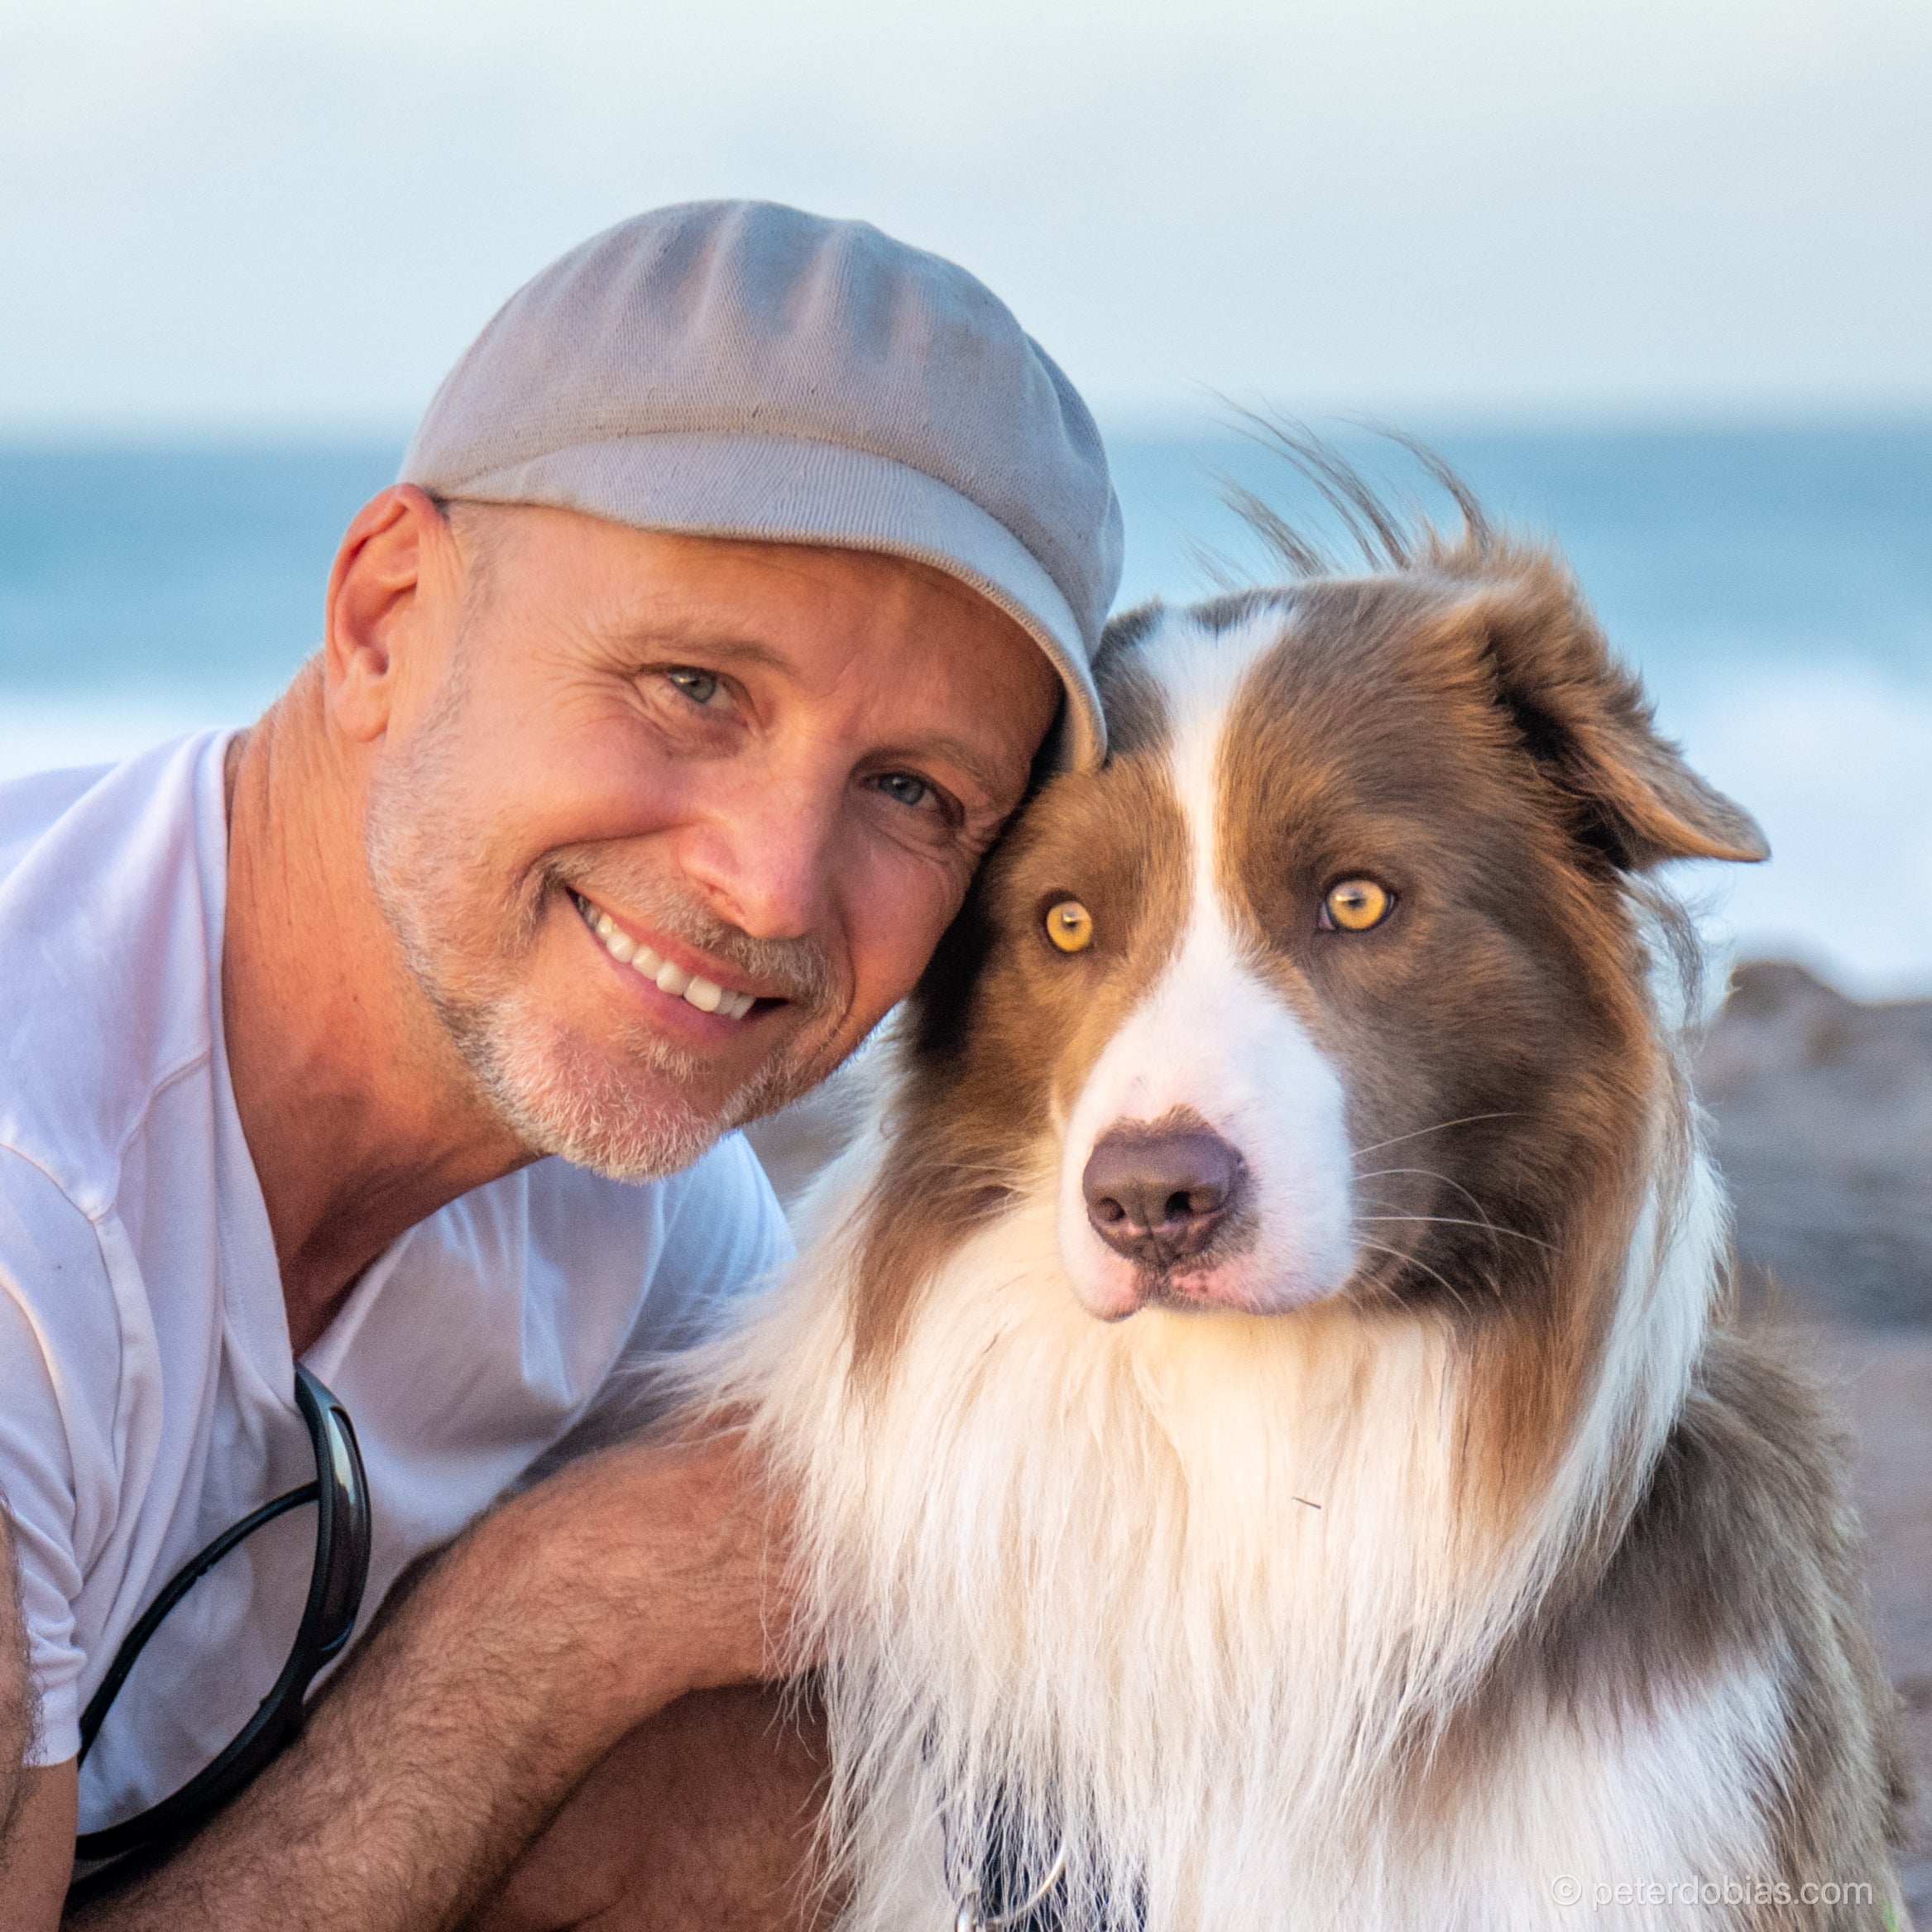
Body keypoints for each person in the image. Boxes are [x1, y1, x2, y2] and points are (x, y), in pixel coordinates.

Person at [0, 199, 1121, 1929]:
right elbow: (617, 1605)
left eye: (913, 792)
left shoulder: (644, 1224)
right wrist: (548, 1620)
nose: (770, 882)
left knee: (813, 1775)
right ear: (384, 615)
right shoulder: (32, 1189)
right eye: (693, 684)